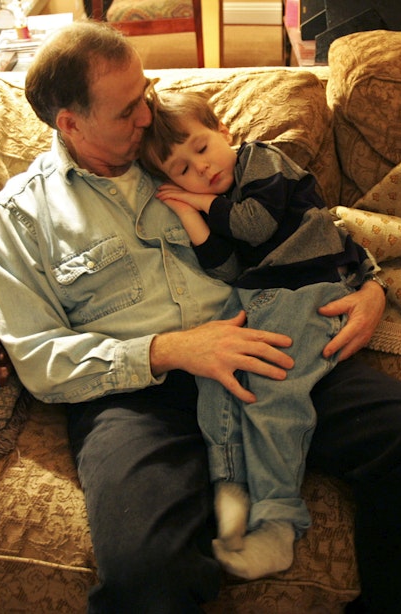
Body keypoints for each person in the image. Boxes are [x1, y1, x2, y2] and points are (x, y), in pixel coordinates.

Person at [0, 20, 401, 614]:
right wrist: (172, 349)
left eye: (148, 94)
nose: (146, 117)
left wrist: (369, 285)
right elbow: (37, 357)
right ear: (70, 123)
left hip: (271, 345)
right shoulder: (18, 219)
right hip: (142, 396)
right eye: (128, 110)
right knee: (145, 578)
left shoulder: (181, 149)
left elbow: (305, 222)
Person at [139, 89, 372, 579]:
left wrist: (199, 200)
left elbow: (253, 224)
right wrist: (187, 214)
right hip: (258, 295)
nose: (199, 169)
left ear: (223, 132)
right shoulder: (212, 202)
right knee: (218, 380)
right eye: (180, 169)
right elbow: (226, 267)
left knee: (272, 394)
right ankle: (231, 491)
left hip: (310, 287)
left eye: (201, 149)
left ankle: (278, 522)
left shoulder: (261, 161)